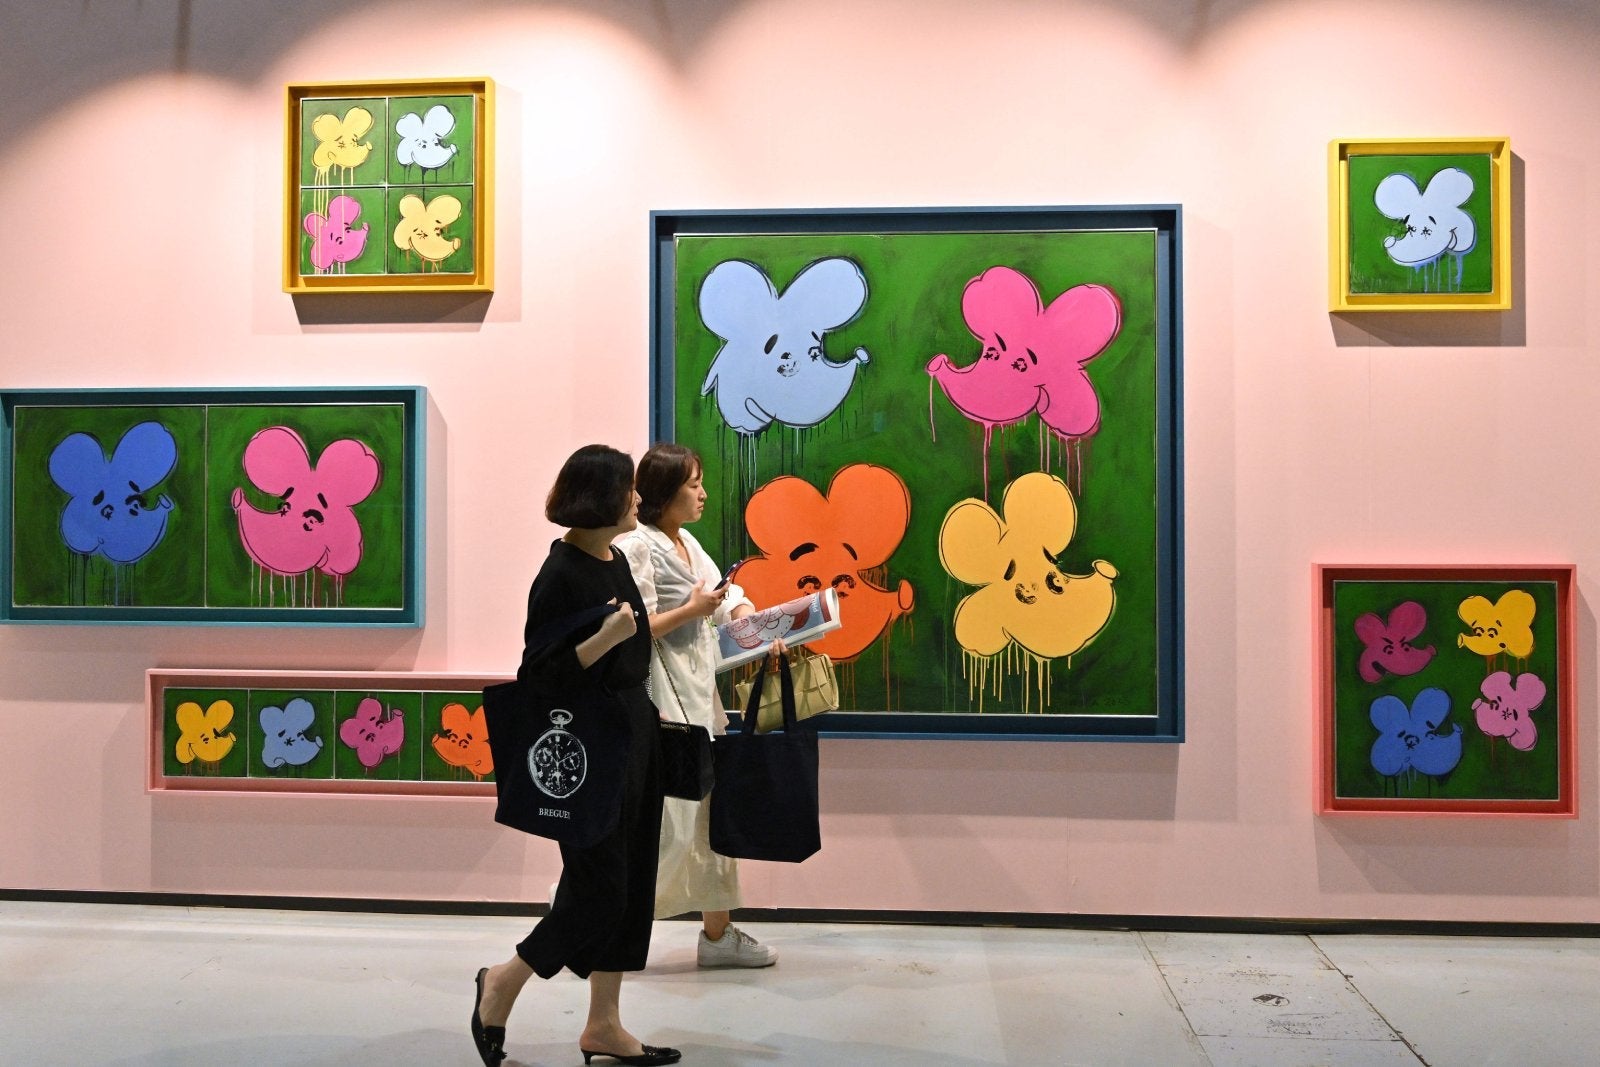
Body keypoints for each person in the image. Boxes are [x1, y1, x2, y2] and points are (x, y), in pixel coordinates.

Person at [471, 444, 681, 1067]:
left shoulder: (615, 558)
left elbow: (634, 649)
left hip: (631, 733)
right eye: (629, 490)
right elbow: (541, 677)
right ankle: (502, 983)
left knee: (632, 882)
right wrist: (604, 639)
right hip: (587, 747)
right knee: (600, 889)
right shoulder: (559, 574)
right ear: (601, 498)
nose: (639, 499)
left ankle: (604, 1025)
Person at [619, 443, 778, 969]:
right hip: (662, 702)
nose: (703, 493)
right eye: (693, 484)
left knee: (709, 818)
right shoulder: (637, 547)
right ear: (664, 493)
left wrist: (750, 617)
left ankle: (718, 934)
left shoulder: (685, 540)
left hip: (700, 698)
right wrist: (692, 610)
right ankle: (591, 917)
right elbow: (634, 628)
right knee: (670, 823)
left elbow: (725, 595)